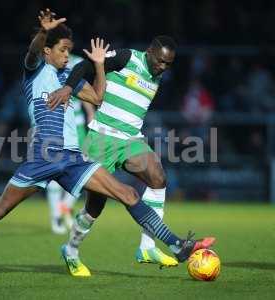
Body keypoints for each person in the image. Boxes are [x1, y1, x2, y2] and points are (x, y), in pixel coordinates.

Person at [0, 9, 212, 278]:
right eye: (62, 50)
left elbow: (98, 98)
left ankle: (176, 245)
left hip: (72, 158)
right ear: (48, 50)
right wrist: (43, 33)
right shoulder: (35, 70)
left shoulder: (67, 76)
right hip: (43, 157)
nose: (67, 56)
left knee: (128, 194)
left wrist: (98, 65)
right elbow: (34, 51)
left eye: (69, 51)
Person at [48, 36, 215, 274]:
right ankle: (71, 249)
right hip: (102, 138)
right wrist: (67, 87)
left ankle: (147, 247)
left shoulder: (159, 74)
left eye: (168, 64)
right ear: (149, 52)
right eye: (160, 61)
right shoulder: (127, 57)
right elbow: (84, 66)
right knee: (95, 206)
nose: (162, 67)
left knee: (159, 179)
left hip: (131, 139)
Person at [46, 54, 95, 235]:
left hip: (79, 125)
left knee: (84, 168)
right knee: (55, 170)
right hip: (57, 126)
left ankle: (65, 207)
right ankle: (56, 217)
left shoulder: (73, 61)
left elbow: (80, 89)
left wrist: (90, 112)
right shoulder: (46, 63)